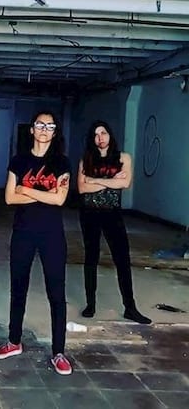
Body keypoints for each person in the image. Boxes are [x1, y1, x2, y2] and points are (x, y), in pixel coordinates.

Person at [0, 111, 73, 376]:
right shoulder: (19, 161)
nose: (44, 129)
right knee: (18, 288)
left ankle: (59, 352)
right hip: (23, 232)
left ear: (54, 132)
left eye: (50, 126)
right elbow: (9, 198)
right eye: (40, 124)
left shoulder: (61, 162)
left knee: (56, 293)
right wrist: (44, 193)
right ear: (32, 129)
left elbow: (60, 199)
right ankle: (14, 341)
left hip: (52, 234)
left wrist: (25, 189)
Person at [77, 120, 151, 324]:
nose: (100, 138)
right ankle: (90, 304)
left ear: (110, 135)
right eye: (96, 134)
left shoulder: (123, 158)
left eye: (103, 133)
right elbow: (82, 188)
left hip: (112, 214)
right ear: (92, 139)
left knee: (122, 259)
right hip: (89, 213)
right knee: (91, 258)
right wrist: (112, 181)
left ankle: (130, 307)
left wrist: (94, 180)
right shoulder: (86, 159)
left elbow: (125, 183)